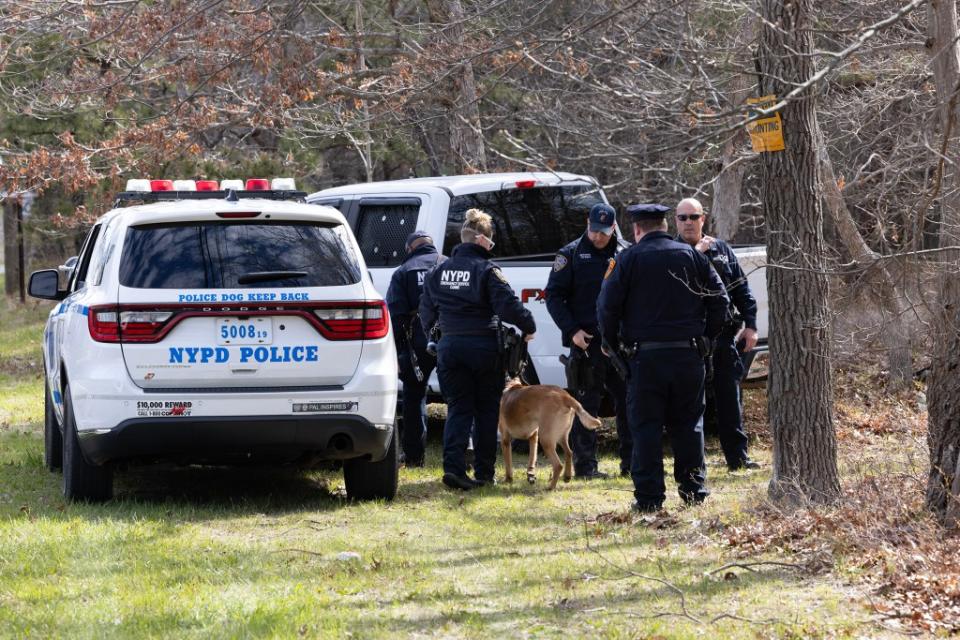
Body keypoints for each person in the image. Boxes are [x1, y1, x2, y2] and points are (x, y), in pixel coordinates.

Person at [597, 203, 728, 512]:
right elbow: (720, 301)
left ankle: (649, 498)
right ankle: (694, 490)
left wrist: (614, 347)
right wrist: (707, 339)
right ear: (666, 225)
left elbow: (606, 309)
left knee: (645, 427)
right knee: (689, 425)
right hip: (688, 354)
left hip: (645, 359)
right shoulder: (693, 256)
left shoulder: (626, 260)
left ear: (636, 230)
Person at [419, 209, 536, 491]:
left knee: (459, 409)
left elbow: (426, 311)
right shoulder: (488, 271)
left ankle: (454, 470)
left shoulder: (438, 271)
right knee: (485, 412)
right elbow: (508, 306)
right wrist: (529, 325)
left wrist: (436, 336)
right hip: (484, 349)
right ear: (482, 240)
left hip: (450, 347)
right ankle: (484, 472)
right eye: (491, 243)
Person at [545, 203, 632, 479]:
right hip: (586, 343)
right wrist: (572, 331)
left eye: (604, 232)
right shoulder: (569, 254)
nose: (598, 237)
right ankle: (586, 467)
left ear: (614, 227)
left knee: (629, 403)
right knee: (585, 406)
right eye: (594, 230)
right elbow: (554, 296)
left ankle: (631, 462)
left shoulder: (625, 253)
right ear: (587, 223)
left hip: (620, 344)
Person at [674, 198, 760, 471]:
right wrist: (696, 255)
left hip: (722, 337)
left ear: (704, 218)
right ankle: (692, 464)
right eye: (682, 217)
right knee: (689, 406)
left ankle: (738, 458)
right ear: (676, 220)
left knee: (729, 400)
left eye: (693, 217)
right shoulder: (670, 250)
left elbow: (740, 289)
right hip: (688, 342)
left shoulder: (721, 249)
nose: (688, 222)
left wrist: (751, 324)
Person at [385, 230, 446, 468]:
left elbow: (396, 314)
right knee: (459, 398)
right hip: (449, 337)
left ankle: (414, 456)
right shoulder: (448, 264)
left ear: (410, 249)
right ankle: (463, 451)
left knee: (414, 395)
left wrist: (397, 349)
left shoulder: (404, 271)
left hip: (417, 341)